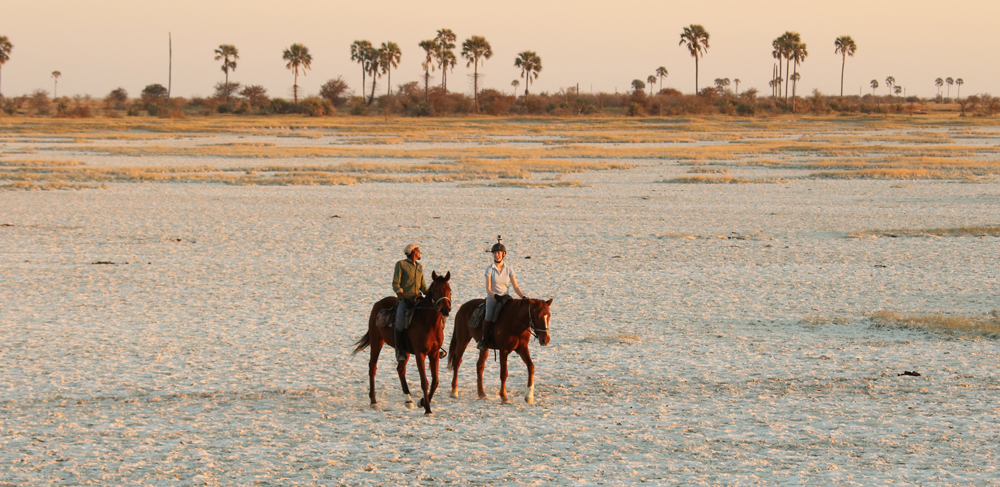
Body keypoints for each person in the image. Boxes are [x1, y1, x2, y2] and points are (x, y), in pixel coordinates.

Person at [479, 236, 526, 351]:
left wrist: (523, 297)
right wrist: (494, 296)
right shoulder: (489, 269)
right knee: (489, 315)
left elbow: (515, 287)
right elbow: (488, 289)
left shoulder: (509, 269)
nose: (496, 255)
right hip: (493, 297)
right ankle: (484, 340)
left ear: (504, 254)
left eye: (499, 253)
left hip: (506, 297)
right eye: (494, 253)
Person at [393, 243, 428, 362]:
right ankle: (399, 350)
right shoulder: (401, 264)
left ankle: (433, 346)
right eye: (418, 250)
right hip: (405, 300)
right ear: (413, 252)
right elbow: (396, 284)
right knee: (399, 321)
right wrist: (403, 297)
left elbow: (423, 287)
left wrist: (433, 294)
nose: (420, 252)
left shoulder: (419, 267)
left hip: (417, 299)